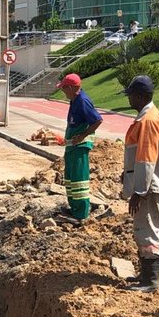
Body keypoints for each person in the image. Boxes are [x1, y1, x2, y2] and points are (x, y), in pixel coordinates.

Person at [120, 75, 159, 293]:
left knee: (147, 229)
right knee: (143, 227)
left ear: (140, 96)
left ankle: (151, 280)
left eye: (131, 95)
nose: (129, 99)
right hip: (146, 184)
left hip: (149, 187)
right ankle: (145, 274)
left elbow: (146, 159)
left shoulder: (148, 120)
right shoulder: (146, 117)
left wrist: (139, 191)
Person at [56, 73, 103, 223]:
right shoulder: (74, 101)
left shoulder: (82, 101)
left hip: (79, 147)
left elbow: (97, 120)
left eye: (64, 88)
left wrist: (82, 136)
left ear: (70, 88)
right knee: (70, 179)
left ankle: (81, 213)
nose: (63, 92)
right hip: (72, 147)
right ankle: (74, 208)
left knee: (79, 180)